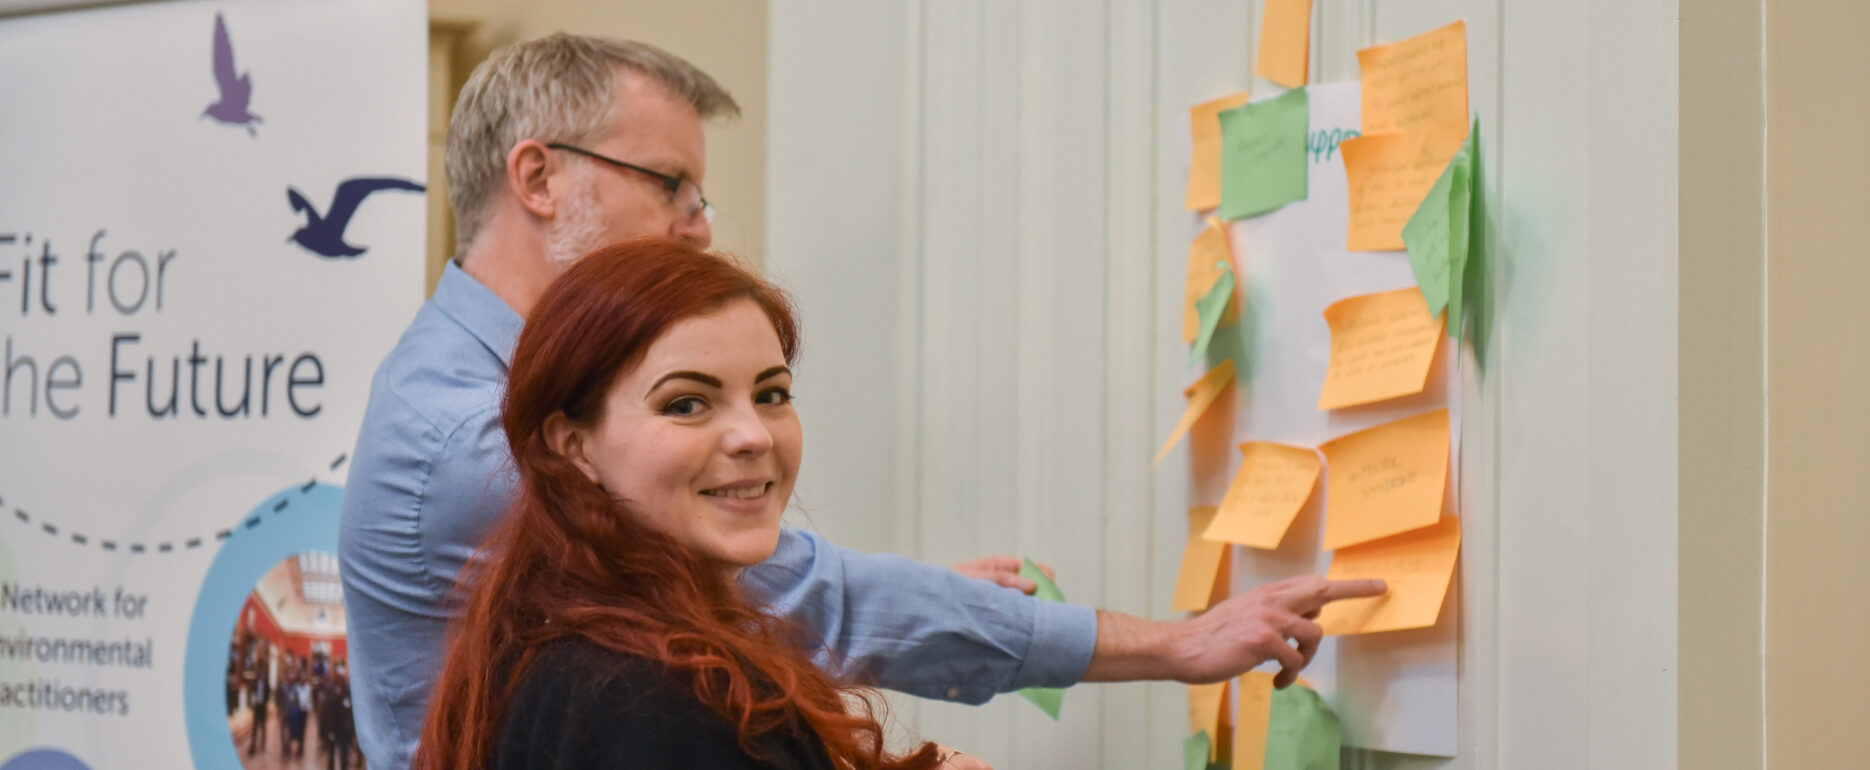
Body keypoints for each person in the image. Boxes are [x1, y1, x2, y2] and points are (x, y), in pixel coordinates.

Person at [338, 33, 1384, 770]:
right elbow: (809, 596)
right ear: (539, 177)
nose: (698, 228)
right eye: (672, 187)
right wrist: (1171, 643)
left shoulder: (457, 375)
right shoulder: (479, 445)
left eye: (769, 393)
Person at [420, 240, 964, 769]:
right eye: (686, 404)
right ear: (574, 445)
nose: (753, 436)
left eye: (770, 395)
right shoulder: (654, 700)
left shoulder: (555, 636)